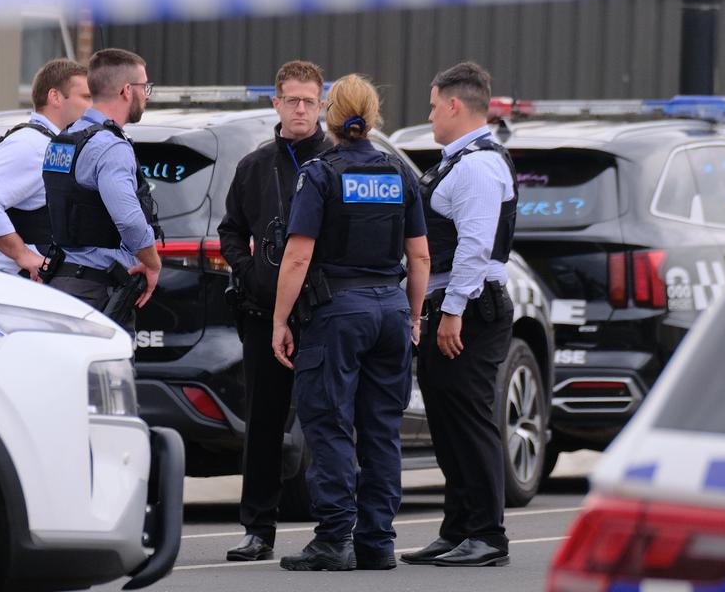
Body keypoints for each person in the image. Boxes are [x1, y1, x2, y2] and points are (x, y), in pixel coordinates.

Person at [270, 74, 431, 572]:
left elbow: (297, 258)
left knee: (331, 423)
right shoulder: (398, 172)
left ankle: (335, 539)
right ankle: (377, 542)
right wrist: (415, 315)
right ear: (373, 115)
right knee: (382, 429)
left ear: (328, 114)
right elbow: (420, 256)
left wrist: (280, 320)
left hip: (338, 313)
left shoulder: (320, 173)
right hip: (390, 311)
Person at [217, 60, 334, 562]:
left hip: (327, 314)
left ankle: (335, 529)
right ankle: (258, 528)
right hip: (264, 314)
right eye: (292, 100)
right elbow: (229, 231)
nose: (301, 108)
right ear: (276, 103)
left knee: (329, 421)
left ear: (323, 104)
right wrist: (247, 272)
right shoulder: (254, 166)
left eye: (310, 100)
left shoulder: (339, 160)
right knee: (263, 424)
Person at [401, 61, 516, 568]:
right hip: (451, 305)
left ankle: (487, 534)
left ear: (453, 104)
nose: (429, 116)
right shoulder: (457, 160)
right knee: (447, 424)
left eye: (431, 106)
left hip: (470, 307)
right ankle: (459, 528)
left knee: (470, 422)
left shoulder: (477, 165)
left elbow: (474, 245)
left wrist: (452, 312)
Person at [40, 48, 162, 328]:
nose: (147, 95)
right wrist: (153, 263)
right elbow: (129, 221)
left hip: (60, 282)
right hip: (97, 292)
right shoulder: (111, 147)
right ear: (127, 90)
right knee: (105, 372)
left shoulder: (65, 138)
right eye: (145, 87)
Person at [0, 59, 90, 279]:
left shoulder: (54, 144)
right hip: (25, 288)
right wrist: (23, 254)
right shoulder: (31, 144)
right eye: (86, 97)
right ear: (55, 97)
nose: (92, 105)